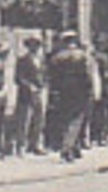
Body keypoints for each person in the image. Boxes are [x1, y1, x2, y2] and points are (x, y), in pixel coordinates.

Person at [48, 31, 92, 162]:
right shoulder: (82, 56)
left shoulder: (56, 58)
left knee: (66, 119)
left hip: (62, 91)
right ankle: (66, 149)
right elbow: (87, 75)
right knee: (76, 120)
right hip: (79, 91)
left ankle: (75, 148)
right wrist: (89, 89)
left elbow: (52, 76)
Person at [12, 37, 47, 157]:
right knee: (24, 121)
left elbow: (44, 75)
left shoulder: (41, 60)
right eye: (33, 45)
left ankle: (36, 144)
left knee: (39, 119)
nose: (35, 47)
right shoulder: (22, 60)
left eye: (37, 45)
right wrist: (29, 86)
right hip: (26, 95)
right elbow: (18, 78)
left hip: (39, 93)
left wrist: (43, 85)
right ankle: (20, 146)